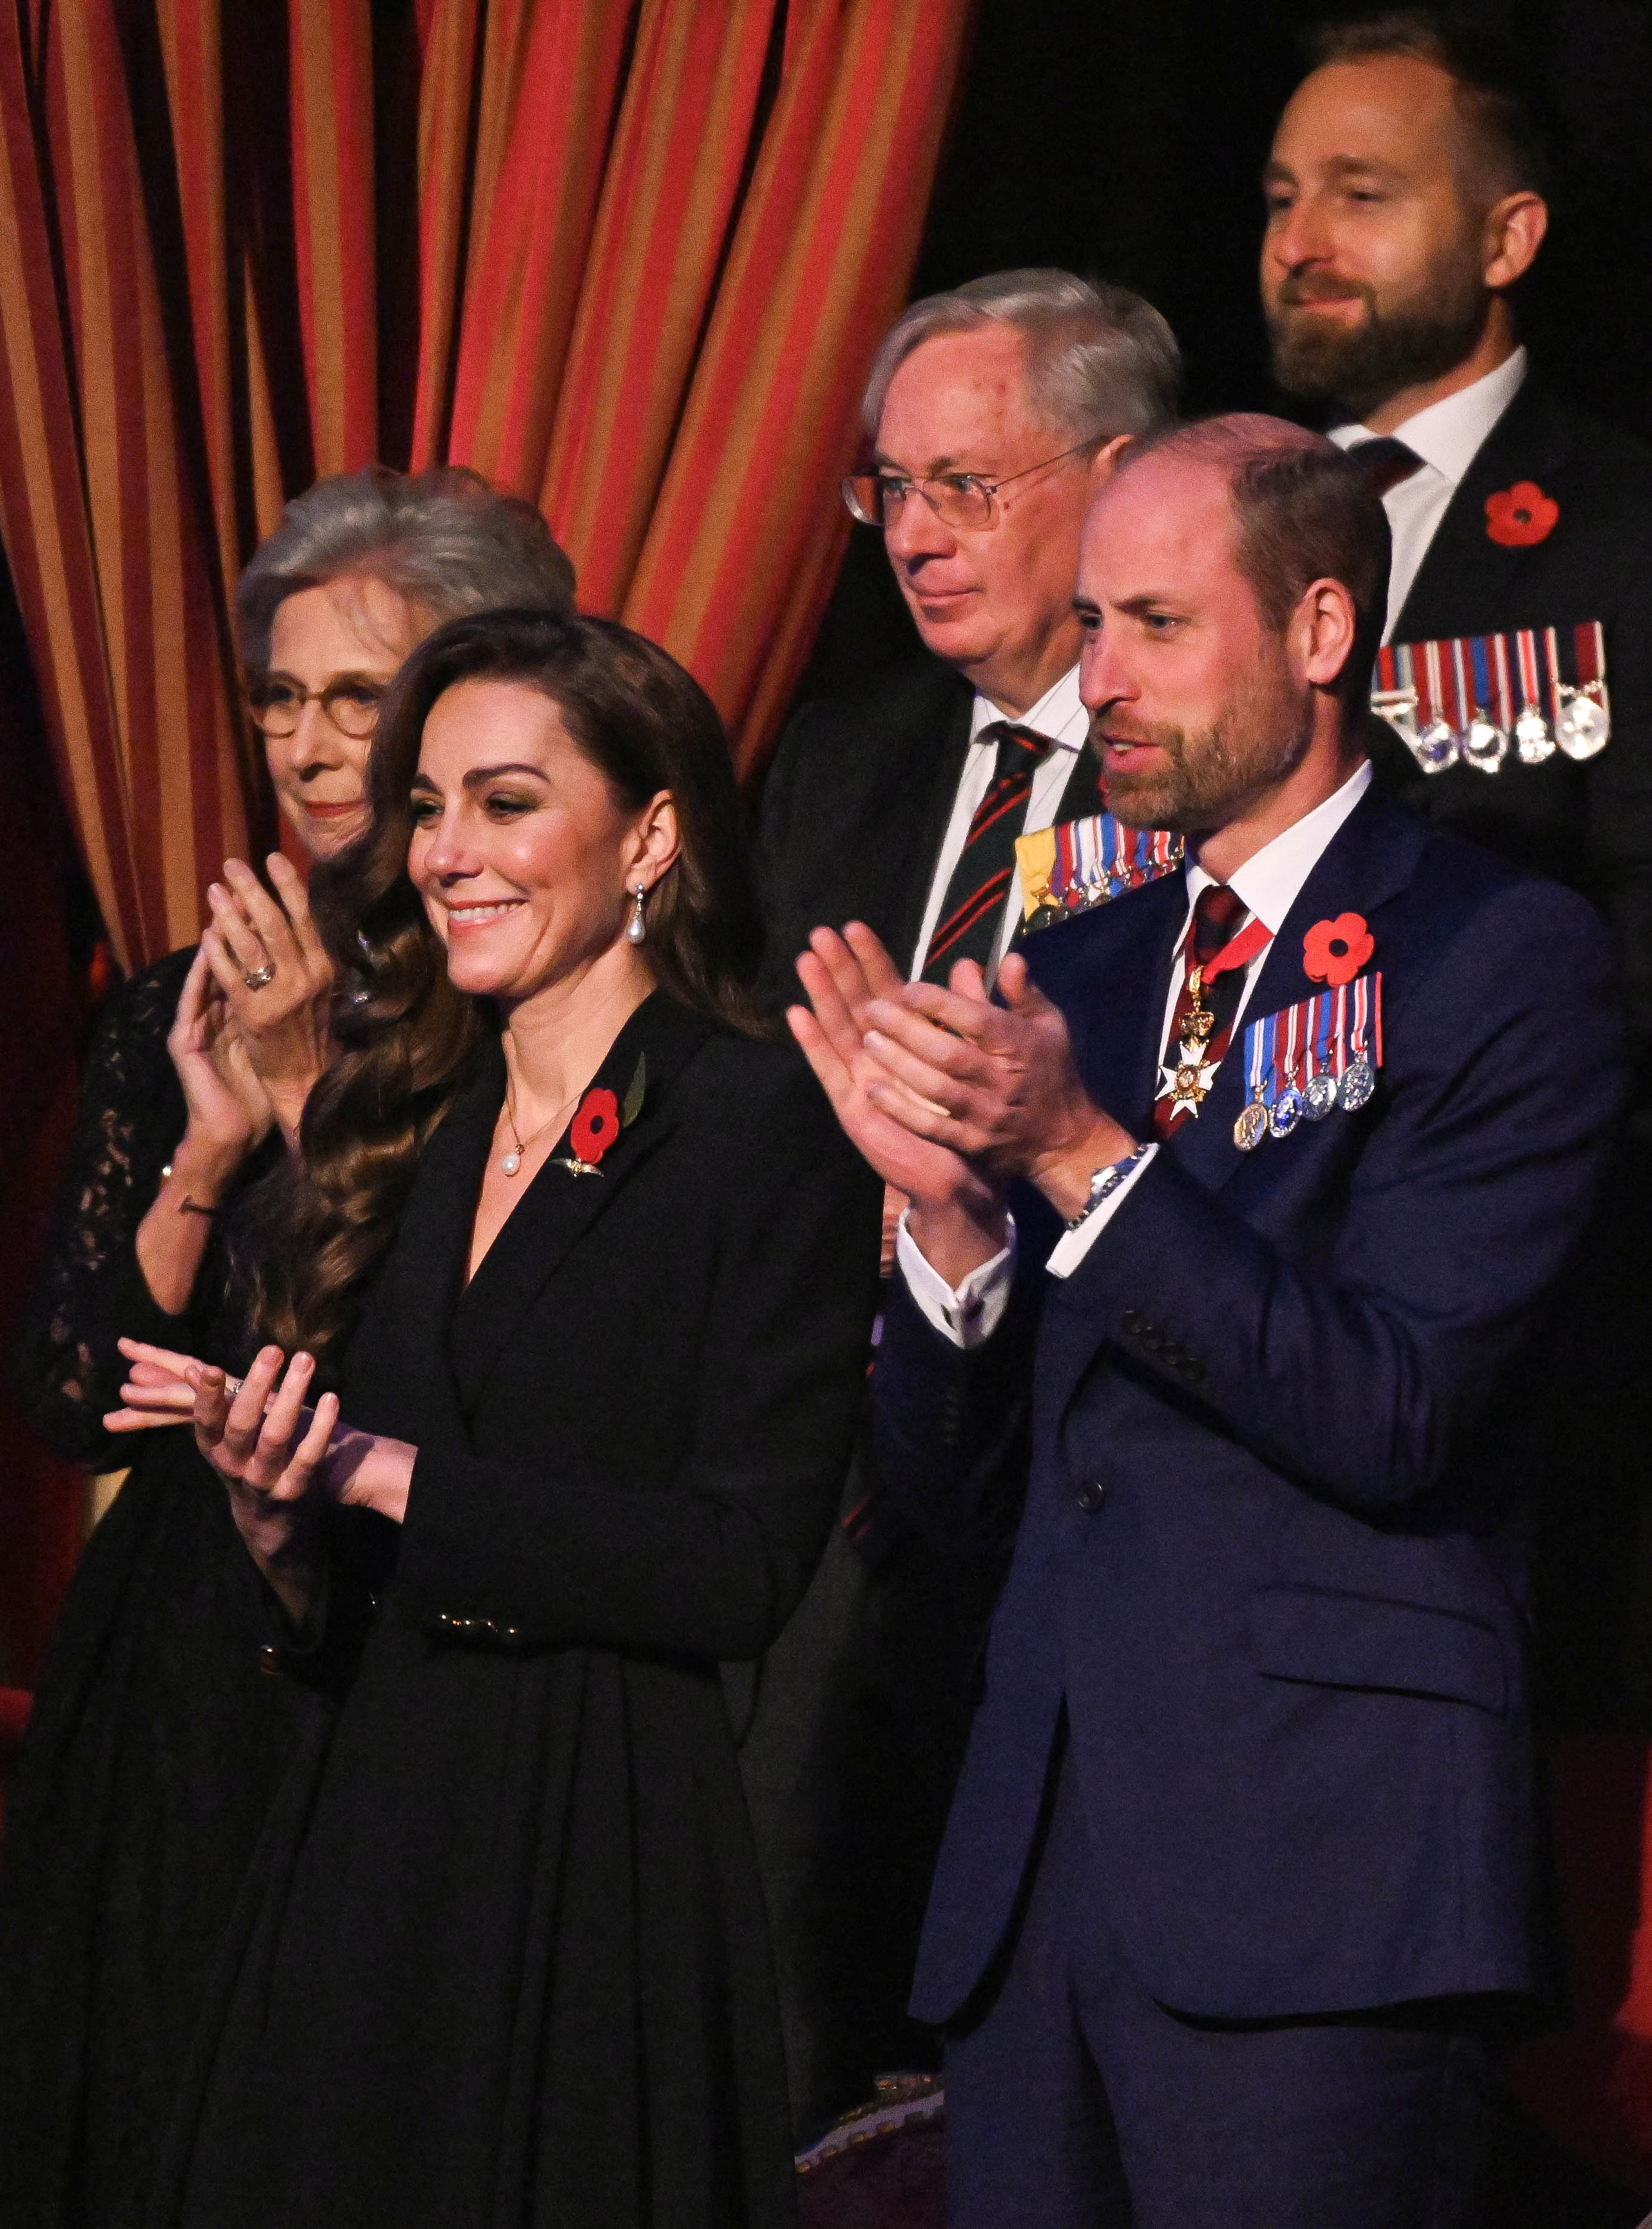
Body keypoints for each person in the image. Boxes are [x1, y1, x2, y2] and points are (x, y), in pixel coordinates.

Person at [788, 417, 1624, 2226]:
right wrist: (945, 1235)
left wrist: (1080, 1153)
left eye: (1156, 625)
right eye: (1089, 626)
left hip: (1323, 1881)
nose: (1101, 685)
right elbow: (956, 1493)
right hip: (1038, 1873)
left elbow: (1398, 1405)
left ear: (1321, 633)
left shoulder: (1499, 955)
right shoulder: (1070, 967)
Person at [111, 608, 882, 2228]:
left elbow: (741, 1564)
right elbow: (336, 1569)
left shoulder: (753, 1121)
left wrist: (383, 1474)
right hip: (368, 1814)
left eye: (509, 802)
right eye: (433, 806)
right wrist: (275, 1512)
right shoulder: (420, 1122)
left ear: (653, 831)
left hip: (590, 1837)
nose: (449, 851)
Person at [0, 466, 576, 2229]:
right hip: (172, 1667)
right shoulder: (179, 995)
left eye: (357, 697)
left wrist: (321, 1086)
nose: (313, 746)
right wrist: (205, 1147)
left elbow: (462, 1369)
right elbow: (69, 1399)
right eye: (282, 698)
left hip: (388, 1639)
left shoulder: (529, 999)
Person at [743, 270, 1181, 2134]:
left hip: (1078, 1467)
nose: (913, 537)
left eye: (965, 487)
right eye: (887, 491)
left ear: (1122, 471)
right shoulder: (842, 764)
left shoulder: (1208, 779)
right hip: (800, 1457)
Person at [1263, 10, 1652, 1732]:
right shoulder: (1222, 514)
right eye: (1282, 195)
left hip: (1535, 1323)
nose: (1300, 240)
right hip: (1238, 1281)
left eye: (1362, 193)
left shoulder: (1624, 531)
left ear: (1507, 238)